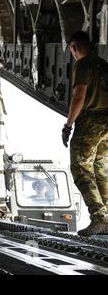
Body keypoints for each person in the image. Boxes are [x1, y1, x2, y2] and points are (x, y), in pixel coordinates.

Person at [62, 31, 108, 236]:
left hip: (90, 121)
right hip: (107, 123)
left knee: (80, 168)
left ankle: (99, 217)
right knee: (100, 170)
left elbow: (79, 96)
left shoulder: (83, 64)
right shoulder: (104, 65)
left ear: (73, 47)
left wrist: (68, 126)